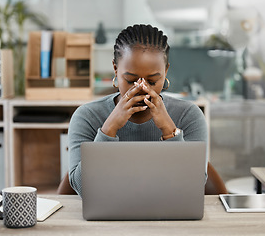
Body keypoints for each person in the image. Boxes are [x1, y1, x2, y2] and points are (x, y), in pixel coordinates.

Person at [68, 24, 208, 197]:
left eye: (152, 81)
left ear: (165, 72)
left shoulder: (189, 116)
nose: (142, 89)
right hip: (107, 220)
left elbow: (192, 186)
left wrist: (169, 130)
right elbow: (82, 189)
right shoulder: (87, 117)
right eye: (131, 80)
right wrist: (108, 129)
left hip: (170, 219)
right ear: (115, 69)